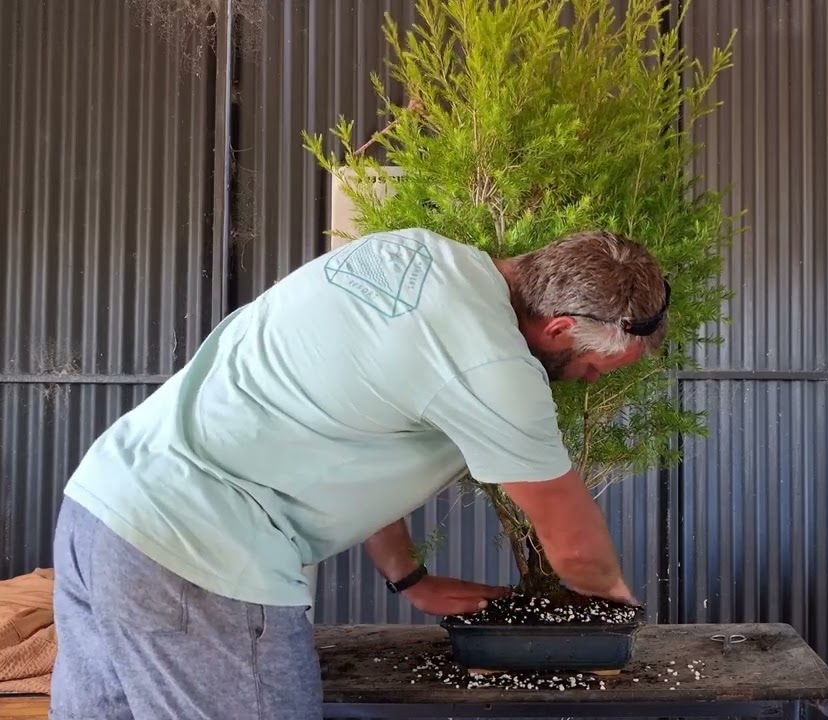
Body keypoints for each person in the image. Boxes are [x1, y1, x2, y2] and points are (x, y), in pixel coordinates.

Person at [49, 227, 670, 720]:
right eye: (597, 364)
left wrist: (409, 577)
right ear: (559, 327)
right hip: (198, 558)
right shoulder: (493, 364)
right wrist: (613, 601)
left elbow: (359, 431)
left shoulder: (415, 253)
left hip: (103, 509)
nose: (591, 379)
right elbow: (571, 538)